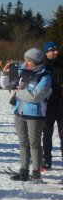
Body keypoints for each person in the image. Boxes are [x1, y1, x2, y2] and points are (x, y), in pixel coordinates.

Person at [0, 48, 52, 182]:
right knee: (23, 143)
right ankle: (23, 171)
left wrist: (17, 92)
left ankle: (36, 173)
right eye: (25, 60)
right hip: (19, 112)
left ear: (36, 62)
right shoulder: (24, 72)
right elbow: (7, 86)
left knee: (34, 144)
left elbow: (36, 97)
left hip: (35, 115)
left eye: (29, 61)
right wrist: (5, 74)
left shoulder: (45, 76)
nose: (26, 63)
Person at [42, 41, 63, 169]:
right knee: (47, 134)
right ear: (46, 52)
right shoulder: (42, 65)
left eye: (57, 49)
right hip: (47, 106)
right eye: (53, 50)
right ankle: (47, 159)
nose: (56, 51)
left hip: (62, 105)